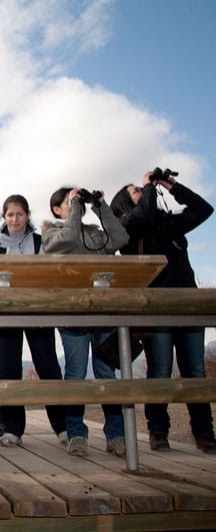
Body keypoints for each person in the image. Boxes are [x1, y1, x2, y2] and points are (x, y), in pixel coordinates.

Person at [111, 170, 216, 454]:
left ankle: (204, 431)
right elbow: (143, 216)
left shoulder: (169, 223)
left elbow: (204, 209)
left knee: (194, 370)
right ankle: (158, 431)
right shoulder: (127, 225)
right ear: (126, 202)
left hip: (188, 305)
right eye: (135, 191)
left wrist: (170, 185)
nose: (143, 191)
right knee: (159, 370)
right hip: (155, 308)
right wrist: (147, 186)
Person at [42, 187, 129, 457]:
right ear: (57, 209)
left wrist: (101, 207)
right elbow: (67, 239)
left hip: (104, 313)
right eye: (70, 201)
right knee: (76, 376)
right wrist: (76, 208)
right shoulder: (51, 232)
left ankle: (116, 435)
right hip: (73, 316)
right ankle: (77, 434)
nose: (76, 204)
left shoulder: (93, 232)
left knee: (107, 376)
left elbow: (120, 238)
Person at [0, 194, 67, 448]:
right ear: (3, 216)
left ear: (27, 215)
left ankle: (62, 426)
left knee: (49, 367)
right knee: (8, 370)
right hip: (5, 313)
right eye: (10, 214)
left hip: (36, 311)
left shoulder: (40, 241)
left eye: (20, 214)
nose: (15, 219)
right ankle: (13, 428)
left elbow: (44, 276)